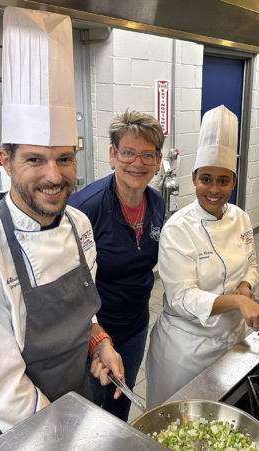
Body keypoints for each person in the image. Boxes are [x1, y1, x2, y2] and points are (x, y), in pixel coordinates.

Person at [0, 8, 123, 450]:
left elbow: (81, 316)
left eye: (64, 157)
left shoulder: (81, 225)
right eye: (35, 159)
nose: (54, 175)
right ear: (5, 162)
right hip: (20, 432)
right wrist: (73, 438)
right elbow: (3, 394)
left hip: (76, 405)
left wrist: (98, 341)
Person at [146, 105, 259, 409]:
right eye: (206, 179)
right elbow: (181, 298)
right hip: (185, 349)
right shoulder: (177, 228)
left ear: (233, 180)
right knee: (179, 429)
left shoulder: (241, 219)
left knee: (224, 424)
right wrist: (240, 303)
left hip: (234, 340)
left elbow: (251, 265)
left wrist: (245, 286)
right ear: (193, 178)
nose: (214, 189)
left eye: (223, 180)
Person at [68, 110, 165, 421]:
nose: (137, 163)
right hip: (92, 336)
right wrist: (97, 340)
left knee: (122, 403)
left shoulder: (157, 203)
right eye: (127, 152)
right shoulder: (85, 209)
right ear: (112, 155)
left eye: (147, 154)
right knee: (92, 413)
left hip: (135, 327)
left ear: (158, 161)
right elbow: (70, 287)